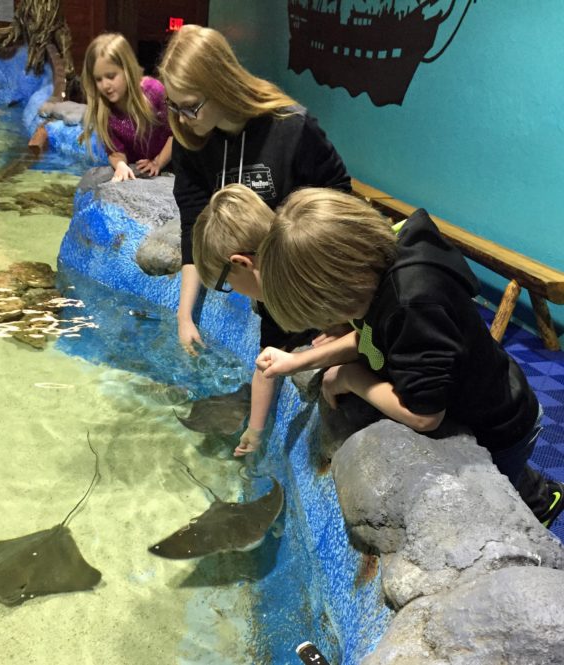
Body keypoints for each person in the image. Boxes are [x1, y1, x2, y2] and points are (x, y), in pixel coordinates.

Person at [255, 188, 564, 528]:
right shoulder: (382, 262)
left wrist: (350, 378)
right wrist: (298, 361)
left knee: (499, 491)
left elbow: (424, 415)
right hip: (495, 383)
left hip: (498, 423)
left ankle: (541, 505)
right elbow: (368, 336)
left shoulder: (411, 306)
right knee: (516, 469)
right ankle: (533, 483)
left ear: (336, 294)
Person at [158, 24, 351, 354]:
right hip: (260, 290)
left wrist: (341, 317)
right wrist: (184, 315)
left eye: (190, 106)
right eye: (174, 107)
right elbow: (194, 229)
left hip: (304, 280)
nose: (183, 118)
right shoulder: (190, 143)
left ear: (220, 85)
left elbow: (338, 208)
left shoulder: (291, 129)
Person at [193, 183, 317, 456]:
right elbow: (266, 363)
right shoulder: (270, 300)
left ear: (242, 264)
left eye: (226, 283)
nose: (232, 291)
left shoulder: (313, 263)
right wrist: (255, 430)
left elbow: (361, 325)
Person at [81, 33, 173, 182]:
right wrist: (121, 165)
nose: (105, 85)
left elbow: (175, 133)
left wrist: (158, 162)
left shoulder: (154, 91)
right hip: (138, 168)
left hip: (169, 163)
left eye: (111, 76)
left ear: (127, 70)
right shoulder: (105, 111)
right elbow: (115, 150)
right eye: (99, 79)